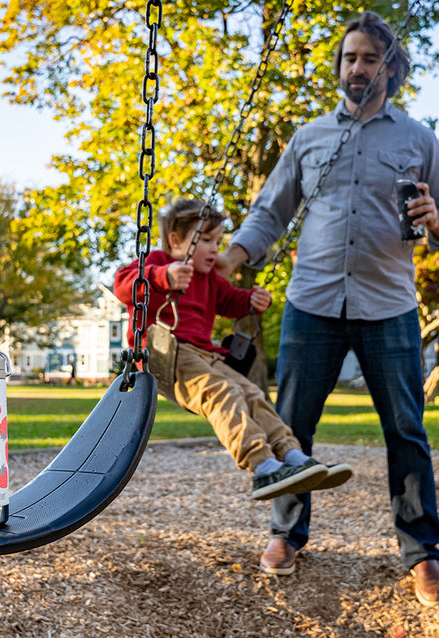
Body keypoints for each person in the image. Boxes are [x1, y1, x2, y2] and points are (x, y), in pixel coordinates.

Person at [217, 10, 439, 606]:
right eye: (349, 58)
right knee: (293, 427)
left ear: (391, 67)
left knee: (407, 432)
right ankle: (287, 535)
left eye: (370, 57)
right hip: (311, 301)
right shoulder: (310, 136)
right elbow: (270, 211)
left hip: (389, 304)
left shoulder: (419, 139)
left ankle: (422, 553)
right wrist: (230, 259)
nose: (357, 67)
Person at [114, 198, 352, 501]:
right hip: (168, 355)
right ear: (176, 241)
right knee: (222, 392)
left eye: (218, 241)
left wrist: (251, 301)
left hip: (206, 355)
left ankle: (293, 457)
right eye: (206, 240)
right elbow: (123, 284)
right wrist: (165, 277)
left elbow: (229, 301)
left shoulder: (209, 278)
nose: (216, 249)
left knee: (252, 394)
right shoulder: (158, 260)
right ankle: (262, 465)